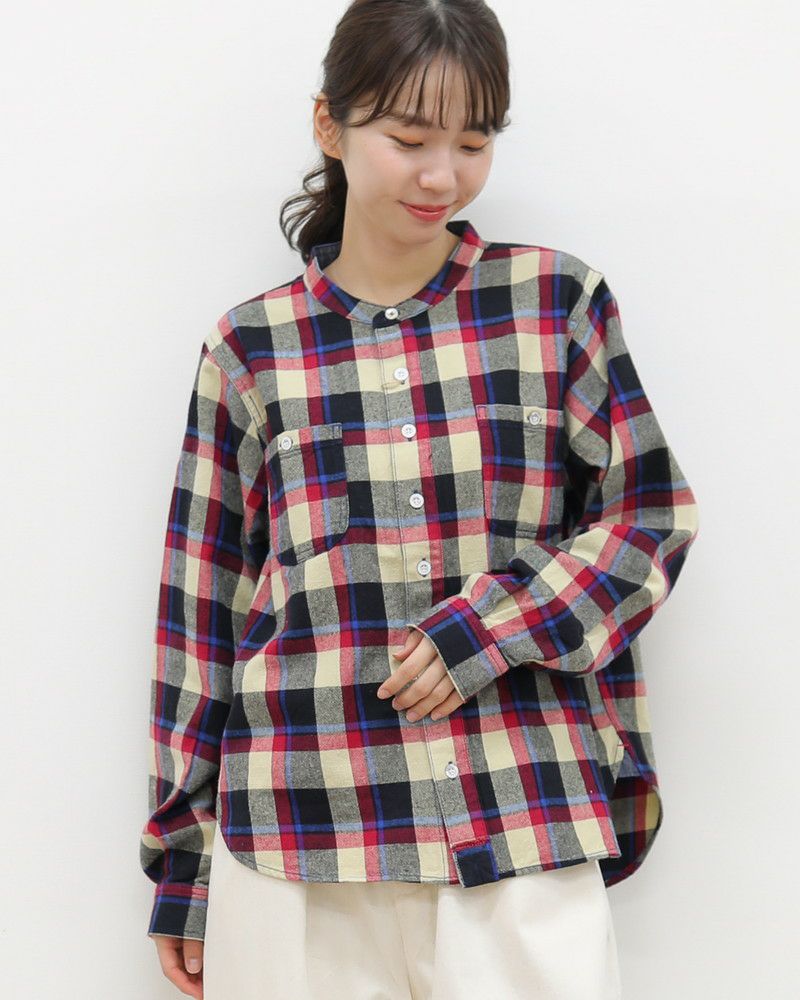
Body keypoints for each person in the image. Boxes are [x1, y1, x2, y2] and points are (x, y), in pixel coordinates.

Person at [139, 2, 700, 998]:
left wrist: (485, 628)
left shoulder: (553, 304)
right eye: (409, 139)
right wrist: (182, 867)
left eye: (473, 143)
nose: (442, 175)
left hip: (516, 819)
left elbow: (649, 516)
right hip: (299, 843)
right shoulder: (249, 349)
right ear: (330, 125)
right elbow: (202, 612)